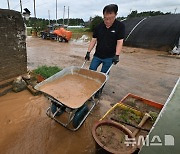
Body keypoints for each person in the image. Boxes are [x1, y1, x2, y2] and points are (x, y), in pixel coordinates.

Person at [85, 4, 125, 98]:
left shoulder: (120, 26)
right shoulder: (99, 27)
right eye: (105, 18)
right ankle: (89, 88)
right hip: (98, 55)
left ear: (116, 15)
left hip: (109, 57)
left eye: (110, 18)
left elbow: (120, 42)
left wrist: (117, 55)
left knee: (103, 75)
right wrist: (88, 52)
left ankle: (98, 92)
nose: (107, 21)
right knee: (91, 71)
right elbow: (94, 40)